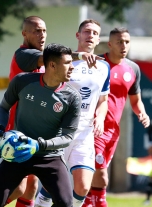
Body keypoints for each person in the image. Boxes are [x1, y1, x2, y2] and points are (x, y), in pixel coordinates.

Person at [6, 16, 105, 207]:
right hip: (20, 128)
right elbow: (51, 60)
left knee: (32, 186)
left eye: (44, 30)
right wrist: (80, 56)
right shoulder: (24, 54)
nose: (41, 34)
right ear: (24, 33)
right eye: (36, 31)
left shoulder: (46, 63)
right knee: (19, 187)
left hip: (38, 129)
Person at [0, 43, 82, 207]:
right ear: (52, 65)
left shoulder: (72, 97)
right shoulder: (22, 81)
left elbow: (67, 137)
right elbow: (3, 108)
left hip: (50, 157)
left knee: (66, 204)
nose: (72, 67)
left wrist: (39, 145)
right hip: (18, 153)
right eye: (67, 63)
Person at [35, 19, 110, 207]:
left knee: (83, 186)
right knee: (52, 185)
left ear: (99, 39)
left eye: (94, 33)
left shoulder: (104, 67)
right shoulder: (63, 61)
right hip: (59, 128)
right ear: (78, 35)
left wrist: (100, 118)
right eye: (86, 31)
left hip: (84, 131)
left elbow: (103, 101)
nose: (90, 36)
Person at [82, 27, 150, 207]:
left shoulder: (133, 68)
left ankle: (89, 202)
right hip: (94, 127)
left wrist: (142, 113)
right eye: (119, 42)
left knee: (99, 178)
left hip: (113, 131)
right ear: (110, 44)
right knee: (100, 174)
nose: (124, 46)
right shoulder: (97, 63)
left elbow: (136, 101)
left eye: (127, 42)